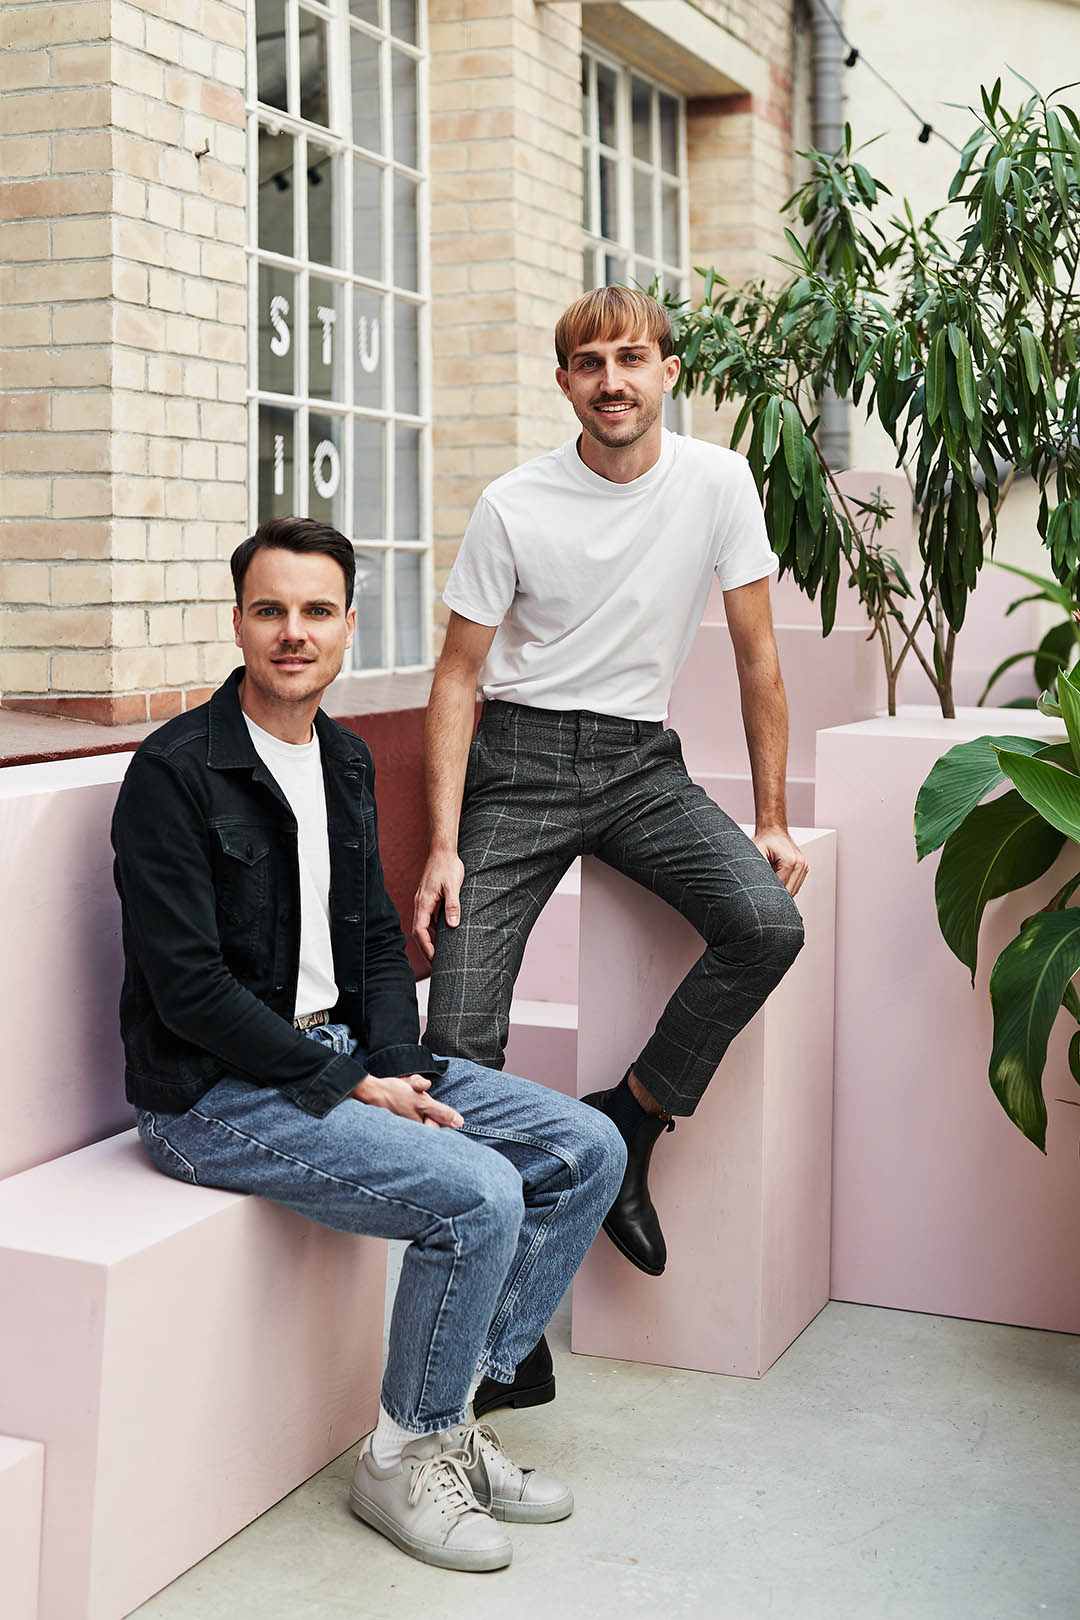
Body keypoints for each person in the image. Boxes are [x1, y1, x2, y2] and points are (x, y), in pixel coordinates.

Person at [110, 516, 625, 1574]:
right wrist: (348, 1082)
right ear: (238, 623)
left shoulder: (342, 759)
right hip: (213, 1094)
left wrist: (391, 1061)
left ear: (350, 625)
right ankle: (400, 1459)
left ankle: (448, 1417)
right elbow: (189, 992)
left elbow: (377, 942)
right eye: (269, 611)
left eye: (315, 611)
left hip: (337, 1053)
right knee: (480, 1194)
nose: (291, 633)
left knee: (588, 1149)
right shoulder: (176, 772)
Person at [415, 286, 808, 1410]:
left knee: (767, 924)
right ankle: (505, 1328)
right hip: (519, 766)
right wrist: (443, 843)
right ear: (564, 383)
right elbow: (457, 677)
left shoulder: (718, 483)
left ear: (669, 372)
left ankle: (631, 1120)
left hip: (641, 763)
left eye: (631, 358)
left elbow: (757, 657)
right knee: (458, 1045)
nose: (611, 381)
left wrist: (771, 817)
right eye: (589, 364)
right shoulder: (514, 502)